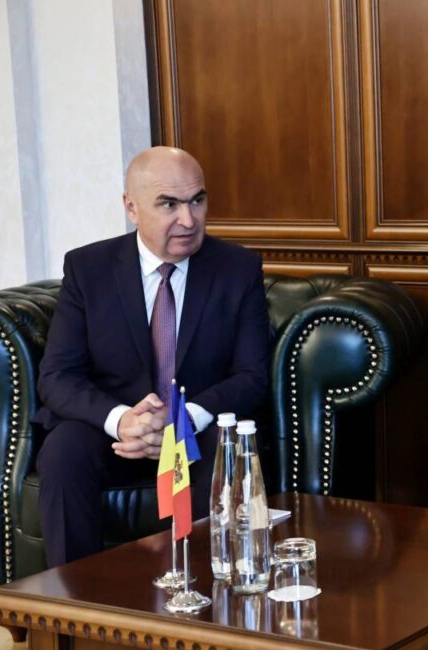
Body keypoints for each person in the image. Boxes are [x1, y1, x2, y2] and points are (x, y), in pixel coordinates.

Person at [34, 146, 270, 566]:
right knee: (64, 450)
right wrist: (123, 420)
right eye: (169, 204)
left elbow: (252, 375)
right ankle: (72, 599)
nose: (189, 219)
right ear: (131, 207)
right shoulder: (88, 269)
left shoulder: (238, 269)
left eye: (197, 200)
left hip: (198, 431)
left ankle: (206, 595)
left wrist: (183, 420)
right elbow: (57, 375)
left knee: (226, 446)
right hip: (115, 435)